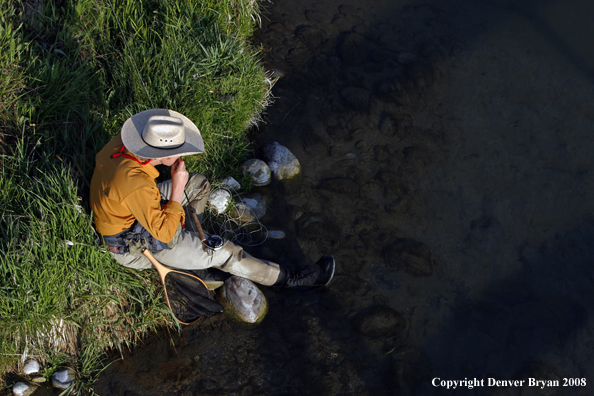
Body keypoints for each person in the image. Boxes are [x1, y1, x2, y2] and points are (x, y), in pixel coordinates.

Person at [90, 109, 335, 287]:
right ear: (158, 153)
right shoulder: (135, 183)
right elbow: (162, 233)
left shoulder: (122, 145)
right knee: (227, 252)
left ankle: (196, 248)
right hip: (130, 243)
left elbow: (139, 189)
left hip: (127, 207)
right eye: (177, 150)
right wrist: (176, 189)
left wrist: (179, 186)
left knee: (198, 184)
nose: (183, 152)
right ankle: (290, 278)